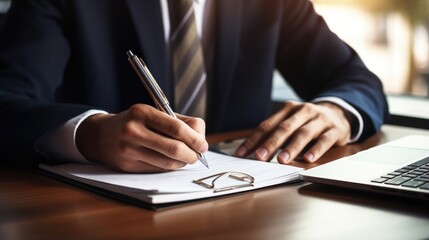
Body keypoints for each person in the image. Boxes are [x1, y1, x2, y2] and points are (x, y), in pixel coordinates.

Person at [0, 0, 388, 173]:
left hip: (238, 206)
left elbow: (358, 82)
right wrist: (90, 134)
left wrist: (337, 111)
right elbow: (6, 100)